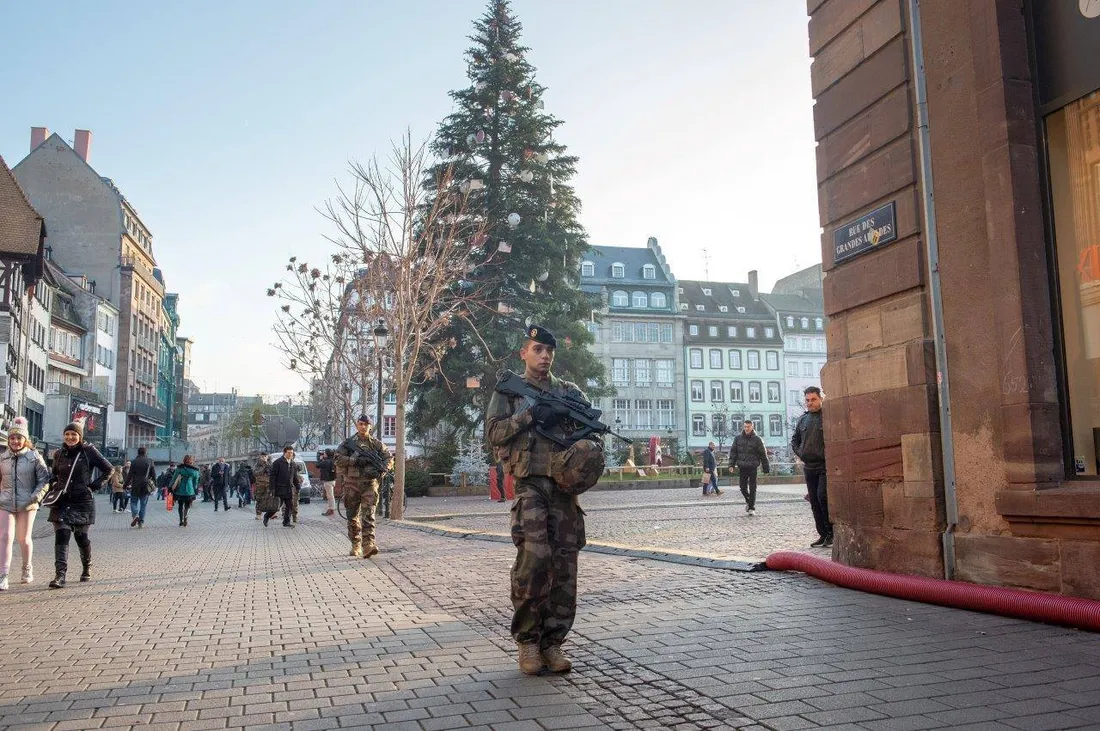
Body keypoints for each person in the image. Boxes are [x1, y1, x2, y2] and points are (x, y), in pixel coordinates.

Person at [486, 325, 588, 676]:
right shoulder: (509, 391)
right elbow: (494, 433)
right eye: (538, 349)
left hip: (564, 489)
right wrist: (530, 414)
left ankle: (553, 643)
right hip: (530, 485)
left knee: (565, 566)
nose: (545, 356)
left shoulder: (569, 392)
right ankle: (528, 641)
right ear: (524, 354)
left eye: (549, 351)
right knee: (534, 560)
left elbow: (589, 435)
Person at [47, 419, 113, 589]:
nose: (70, 437)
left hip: (82, 501)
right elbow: (54, 474)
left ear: (80, 436)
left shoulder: (88, 451)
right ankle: (60, 575)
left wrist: (94, 486)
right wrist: (54, 483)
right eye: (67, 434)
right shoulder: (58, 453)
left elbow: (109, 469)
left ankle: (87, 566)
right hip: (62, 501)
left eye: (74, 434)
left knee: (81, 537)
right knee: (62, 535)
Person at [0, 418, 50, 589]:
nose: (15, 441)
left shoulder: (34, 457)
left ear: (25, 439)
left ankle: (27, 568)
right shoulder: (2, 457)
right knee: (5, 537)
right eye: (12, 438)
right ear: (9, 439)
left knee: (23, 538)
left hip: (27, 504)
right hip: (5, 503)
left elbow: (44, 480)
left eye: (19, 438)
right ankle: (3, 575)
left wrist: (34, 497)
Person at [335, 416, 392, 556]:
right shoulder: (348, 443)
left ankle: (368, 545)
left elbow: (389, 458)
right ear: (357, 425)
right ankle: (356, 543)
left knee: (369, 514)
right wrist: (355, 460)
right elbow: (337, 459)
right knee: (352, 516)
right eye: (361, 424)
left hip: (369, 484)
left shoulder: (376, 444)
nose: (363, 426)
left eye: (366, 424)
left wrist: (383, 470)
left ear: (370, 426)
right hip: (352, 484)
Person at [792, 386, 831, 548]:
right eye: (807, 400)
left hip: (824, 465)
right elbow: (795, 440)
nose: (809, 403)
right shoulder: (803, 419)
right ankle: (822, 534)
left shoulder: (827, 417)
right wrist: (801, 453)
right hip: (809, 466)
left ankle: (831, 532)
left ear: (821, 399)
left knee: (822, 497)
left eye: (813, 399)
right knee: (814, 501)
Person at [729, 420, 770, 515]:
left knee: (752, 488)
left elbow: (763, 454)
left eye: (748, 427)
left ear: (752, 427)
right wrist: (731, 465)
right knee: (742, 488)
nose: (746, 428)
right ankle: (749, 501)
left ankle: (751, 507)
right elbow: (733, 452)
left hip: (753, 467)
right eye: (745, 427)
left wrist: (766, 468)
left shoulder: (758, 439)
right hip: (742, 467)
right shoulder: (738, 439)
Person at [265, 446, 301, 528]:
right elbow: (272, 476)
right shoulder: (278, 462)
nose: (290, 454)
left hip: (289, 489)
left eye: (291, 453)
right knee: (277, 506)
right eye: (288, 453)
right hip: (279, 488)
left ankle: (286, 522)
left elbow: (295, 477)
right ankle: (267, 516)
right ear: (284, 453)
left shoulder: (293, 464)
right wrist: (272, 488)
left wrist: (297, 486)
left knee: (290, 506)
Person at [124, 446, 157, 528]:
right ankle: (141, 522)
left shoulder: (134, 462)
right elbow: (154, 475)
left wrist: (125, 485)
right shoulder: (150, 461)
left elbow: (130, 475)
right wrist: (154, 485)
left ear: (138, 452)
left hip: (135, 485)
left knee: (133, 502)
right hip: (145, 486)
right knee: (143, 504)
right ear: (145, 453)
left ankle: (135, 514)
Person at [171, 455, 201, 527]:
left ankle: (181, 520)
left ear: (184, 460)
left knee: (180, 505)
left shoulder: (179, 468)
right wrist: (195, 488)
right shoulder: (195, 470)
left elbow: (174, 478)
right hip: (190, 490)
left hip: (179, 489)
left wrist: (170, 487)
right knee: (187, 505)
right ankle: (185, 517)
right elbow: (195, 481)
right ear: (191, 461)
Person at [316, 449, 337, 516]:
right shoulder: (332, 460)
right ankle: (330, 509)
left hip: (328, 481)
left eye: (324, 453)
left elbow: (317, 465)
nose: (323, 454)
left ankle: (331, 509)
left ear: (327, 454)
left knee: (330, 496)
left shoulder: (326, 461)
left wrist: (319, 459)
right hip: (332, 480)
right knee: (330, 495)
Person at [252, 452, 271, 520]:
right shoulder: (257, 464)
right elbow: (255, 473)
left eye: (265, 456)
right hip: (259, 484)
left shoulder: (270, 464)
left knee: (269, 499)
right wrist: (263, 469)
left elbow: (273, 473)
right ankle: (258, 514)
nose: (263, 458)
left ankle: (269, 514)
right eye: (262, 457)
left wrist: (267, 464)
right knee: (259, 499)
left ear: (267, 457)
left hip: (268, 484)